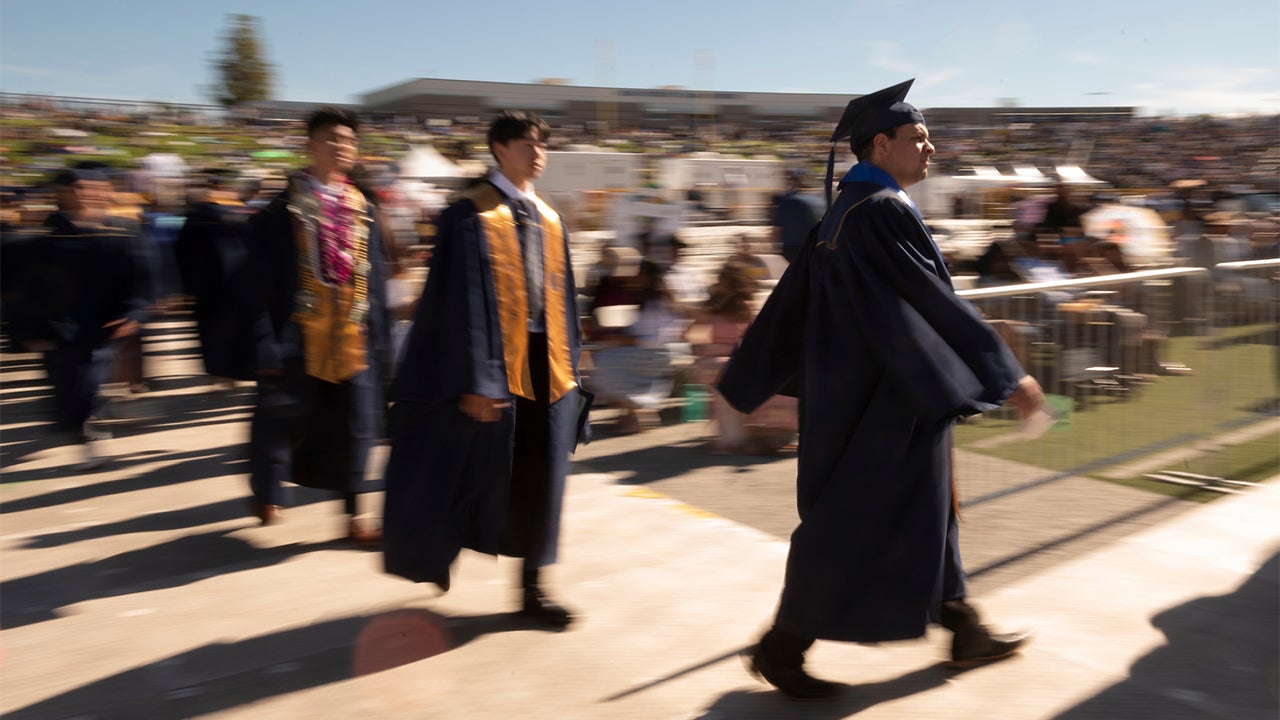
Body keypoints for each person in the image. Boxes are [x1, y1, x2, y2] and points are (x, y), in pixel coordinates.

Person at [718, 79, 1046, 699]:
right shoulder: (881, 212)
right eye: (918, 139)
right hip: (881, 403)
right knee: (850, 522)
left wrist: (752, 375)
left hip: (866, 393)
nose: (930, 150)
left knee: (927, 513)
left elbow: (798, 305)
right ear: (879, 144)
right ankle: (781, 647)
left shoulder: (843, 213)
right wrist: (1009, 375)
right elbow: (934, 304)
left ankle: (962, 625)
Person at [382, 110, 589, 627]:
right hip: (488, 371)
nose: (537, 153)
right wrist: (476, 380)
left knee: (541, 480)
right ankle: (433, 555)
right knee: (467, 473)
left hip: (547, 369)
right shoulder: (469, 215)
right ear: (499, 149)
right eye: (526, 144)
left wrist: (575, 371)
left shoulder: (549, 215)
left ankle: (533, 591)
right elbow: (455, 306)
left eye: (542, 145)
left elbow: (563, 302)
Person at [245, 106, 390, 541]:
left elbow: (377, 279)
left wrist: (382, 342)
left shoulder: (364, 206)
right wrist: (264, 341)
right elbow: (256, 281)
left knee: (357, 427)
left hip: (352, 334)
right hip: (297, 332)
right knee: (279, 418)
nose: (341, 146)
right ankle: (266, 489)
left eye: (347, 140)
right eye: (331, 138)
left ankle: (352, 518)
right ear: (310, 145)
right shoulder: (282, 209)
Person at [13, 168, 149, 469]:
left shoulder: (121, 229)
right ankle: (78, 426)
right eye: (80, 188)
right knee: (66, 383)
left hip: (104, 321)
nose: (88, 194)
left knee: (91, 379)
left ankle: (89, 429)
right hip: (59, 323)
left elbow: (139, 278)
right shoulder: (46, 234)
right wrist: (27, 329)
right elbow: (26, 286)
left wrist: (133, 312)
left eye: (96, 187)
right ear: (61, 194)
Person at [173, 168, 256, 384]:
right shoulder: (230, 215)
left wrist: (185, 288)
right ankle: (229, 372)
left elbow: (181, 254)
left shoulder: (195, 218)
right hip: (229, 285)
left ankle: (219, 373)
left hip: (208, 287)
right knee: (227, 329)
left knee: (213, 331)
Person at [771, 168, 822, 263]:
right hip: (813, 247)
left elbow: (777, 229)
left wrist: (775, 245)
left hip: (791, 248)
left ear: (795, 183)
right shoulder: (820, 201)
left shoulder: (787, 202)